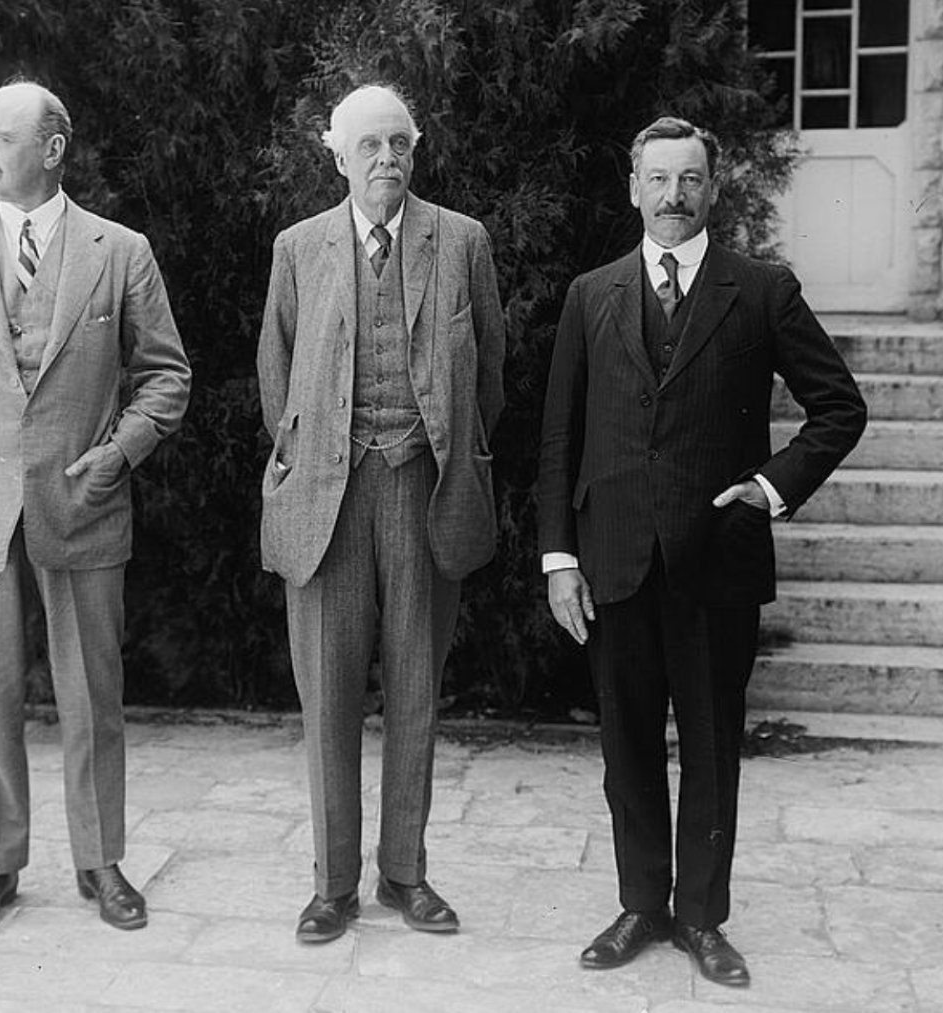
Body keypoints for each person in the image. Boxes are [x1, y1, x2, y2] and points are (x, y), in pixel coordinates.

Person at [536, 116, 866, 986]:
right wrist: (557, 558)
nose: (673, 196)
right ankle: (642, 904)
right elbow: (557, 439)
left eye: (690, 180)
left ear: (712, 189)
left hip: (717, 562)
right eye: (658, 180)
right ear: (633, 188)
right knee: (627, 746)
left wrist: (769, 486)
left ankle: (702, 918)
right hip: (614, 561)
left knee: (713, 748)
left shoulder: (760, 290)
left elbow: (840, 407)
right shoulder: (590, 294)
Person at [0, 80, 192, 942]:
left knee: (93, 693)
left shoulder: (119, 250)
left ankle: (101, 862)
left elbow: (168, 375)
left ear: (52, 149)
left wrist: (118, 452)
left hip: (85, 500)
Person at [256, 84, 505, 945]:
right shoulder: (299, 248)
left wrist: (436, 448)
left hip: (424, 491)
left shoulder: (462, 241)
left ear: (418, 147)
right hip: (326, 496)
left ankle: (406, 872)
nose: (387, 158)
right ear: (337, 154)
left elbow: (491, 378)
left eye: (400, 142)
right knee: (326, 694)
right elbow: (276, 378)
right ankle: (332, 885)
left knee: (415, 691)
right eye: (369, 145)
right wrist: (323, 454)